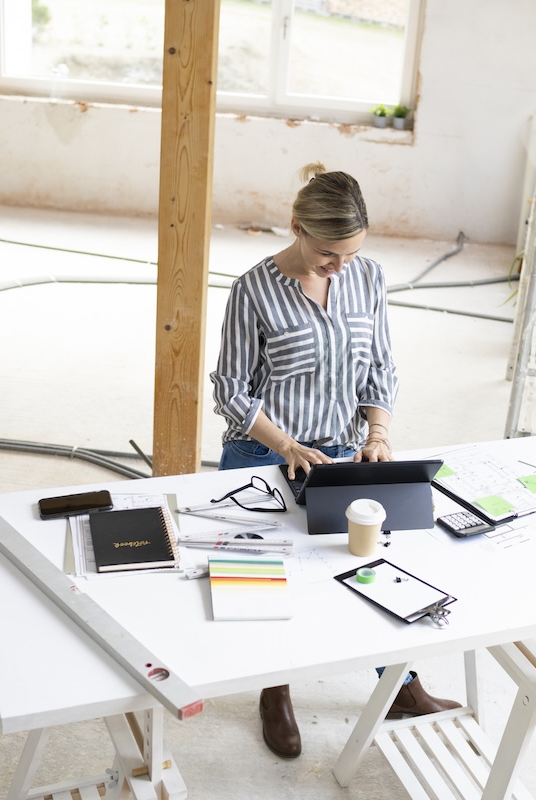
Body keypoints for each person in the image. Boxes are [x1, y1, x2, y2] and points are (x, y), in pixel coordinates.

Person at [210, 162, 459, 759]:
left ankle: (399, 685)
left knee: (366, 571)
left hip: (343, 455)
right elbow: (229, 390)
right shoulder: (254, 290)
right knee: (267, 581)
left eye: (349, 254)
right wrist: (287, 446)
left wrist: (377, 433)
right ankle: (274, 691)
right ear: (296, 227)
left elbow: (380, 366)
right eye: (327, 254)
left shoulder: (366, 278)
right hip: (261, 457)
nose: (338, 266)